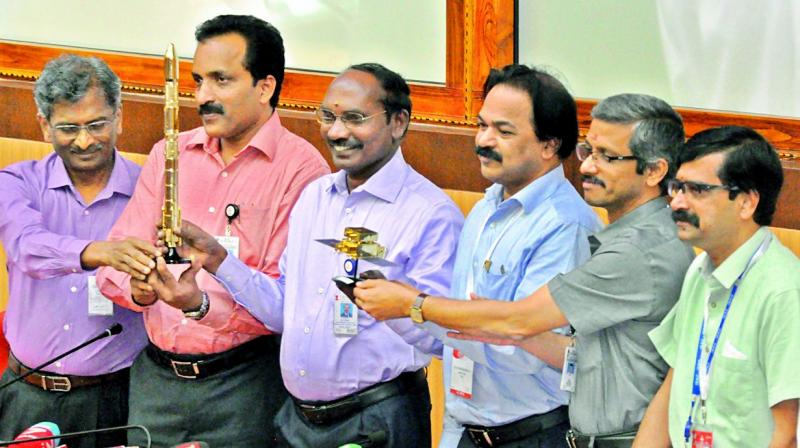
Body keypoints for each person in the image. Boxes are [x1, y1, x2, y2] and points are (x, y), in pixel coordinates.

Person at [355, 93, 695, 447]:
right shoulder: (630, 236)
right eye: (588, 151)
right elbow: (590, 355)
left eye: (607, 157)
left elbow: (520, 318)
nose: (588, 167)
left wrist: (416, 304)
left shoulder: (637, 250)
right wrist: (508, 333)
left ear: (655, 170)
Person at [170, 62, 464, 447]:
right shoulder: (315, 197)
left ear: (398, 123)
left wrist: (400, 306)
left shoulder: (431, 214)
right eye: (328, 117)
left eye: (355, 119)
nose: (337, 132)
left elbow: (446, 338)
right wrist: (219, 262)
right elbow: (282, 311)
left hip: (377, 420)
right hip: (297, 420)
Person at [96, 15, 329, 447]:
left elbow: (287, 301)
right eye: (198, 80)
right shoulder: (170, 152)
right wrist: (141, 288)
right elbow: (112, 263)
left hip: (245, 386)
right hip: (157, 384)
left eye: (221, 80)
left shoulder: (302, 170)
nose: (203, 96)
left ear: (265, 87)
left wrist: (200, 304)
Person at [400, 64, 603, 447]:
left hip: (531, 433)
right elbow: (462, 334)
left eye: (503, 131)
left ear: (549, 145)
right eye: (482, 125)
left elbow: (527, 351)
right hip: (465, 428)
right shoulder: (484, 208)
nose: (483, 140)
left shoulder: (565, 225)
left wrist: (416, 307)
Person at [0, 55, 155, 447]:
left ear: (119, 117)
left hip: (117, 399)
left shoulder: (150, 192)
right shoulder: (17, 182)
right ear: (44, 124)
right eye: (68, 128)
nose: (84, 141)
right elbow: (26, 247)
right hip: (25, 393)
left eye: (97, 124)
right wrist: (98, 252)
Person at [635, 126, 800, 447]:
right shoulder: (700, 270)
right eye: (677, 187)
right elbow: (674, 380)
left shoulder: (783, 291)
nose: (678, 203)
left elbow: (787, 431)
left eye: (697, 190)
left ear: (746, 202)